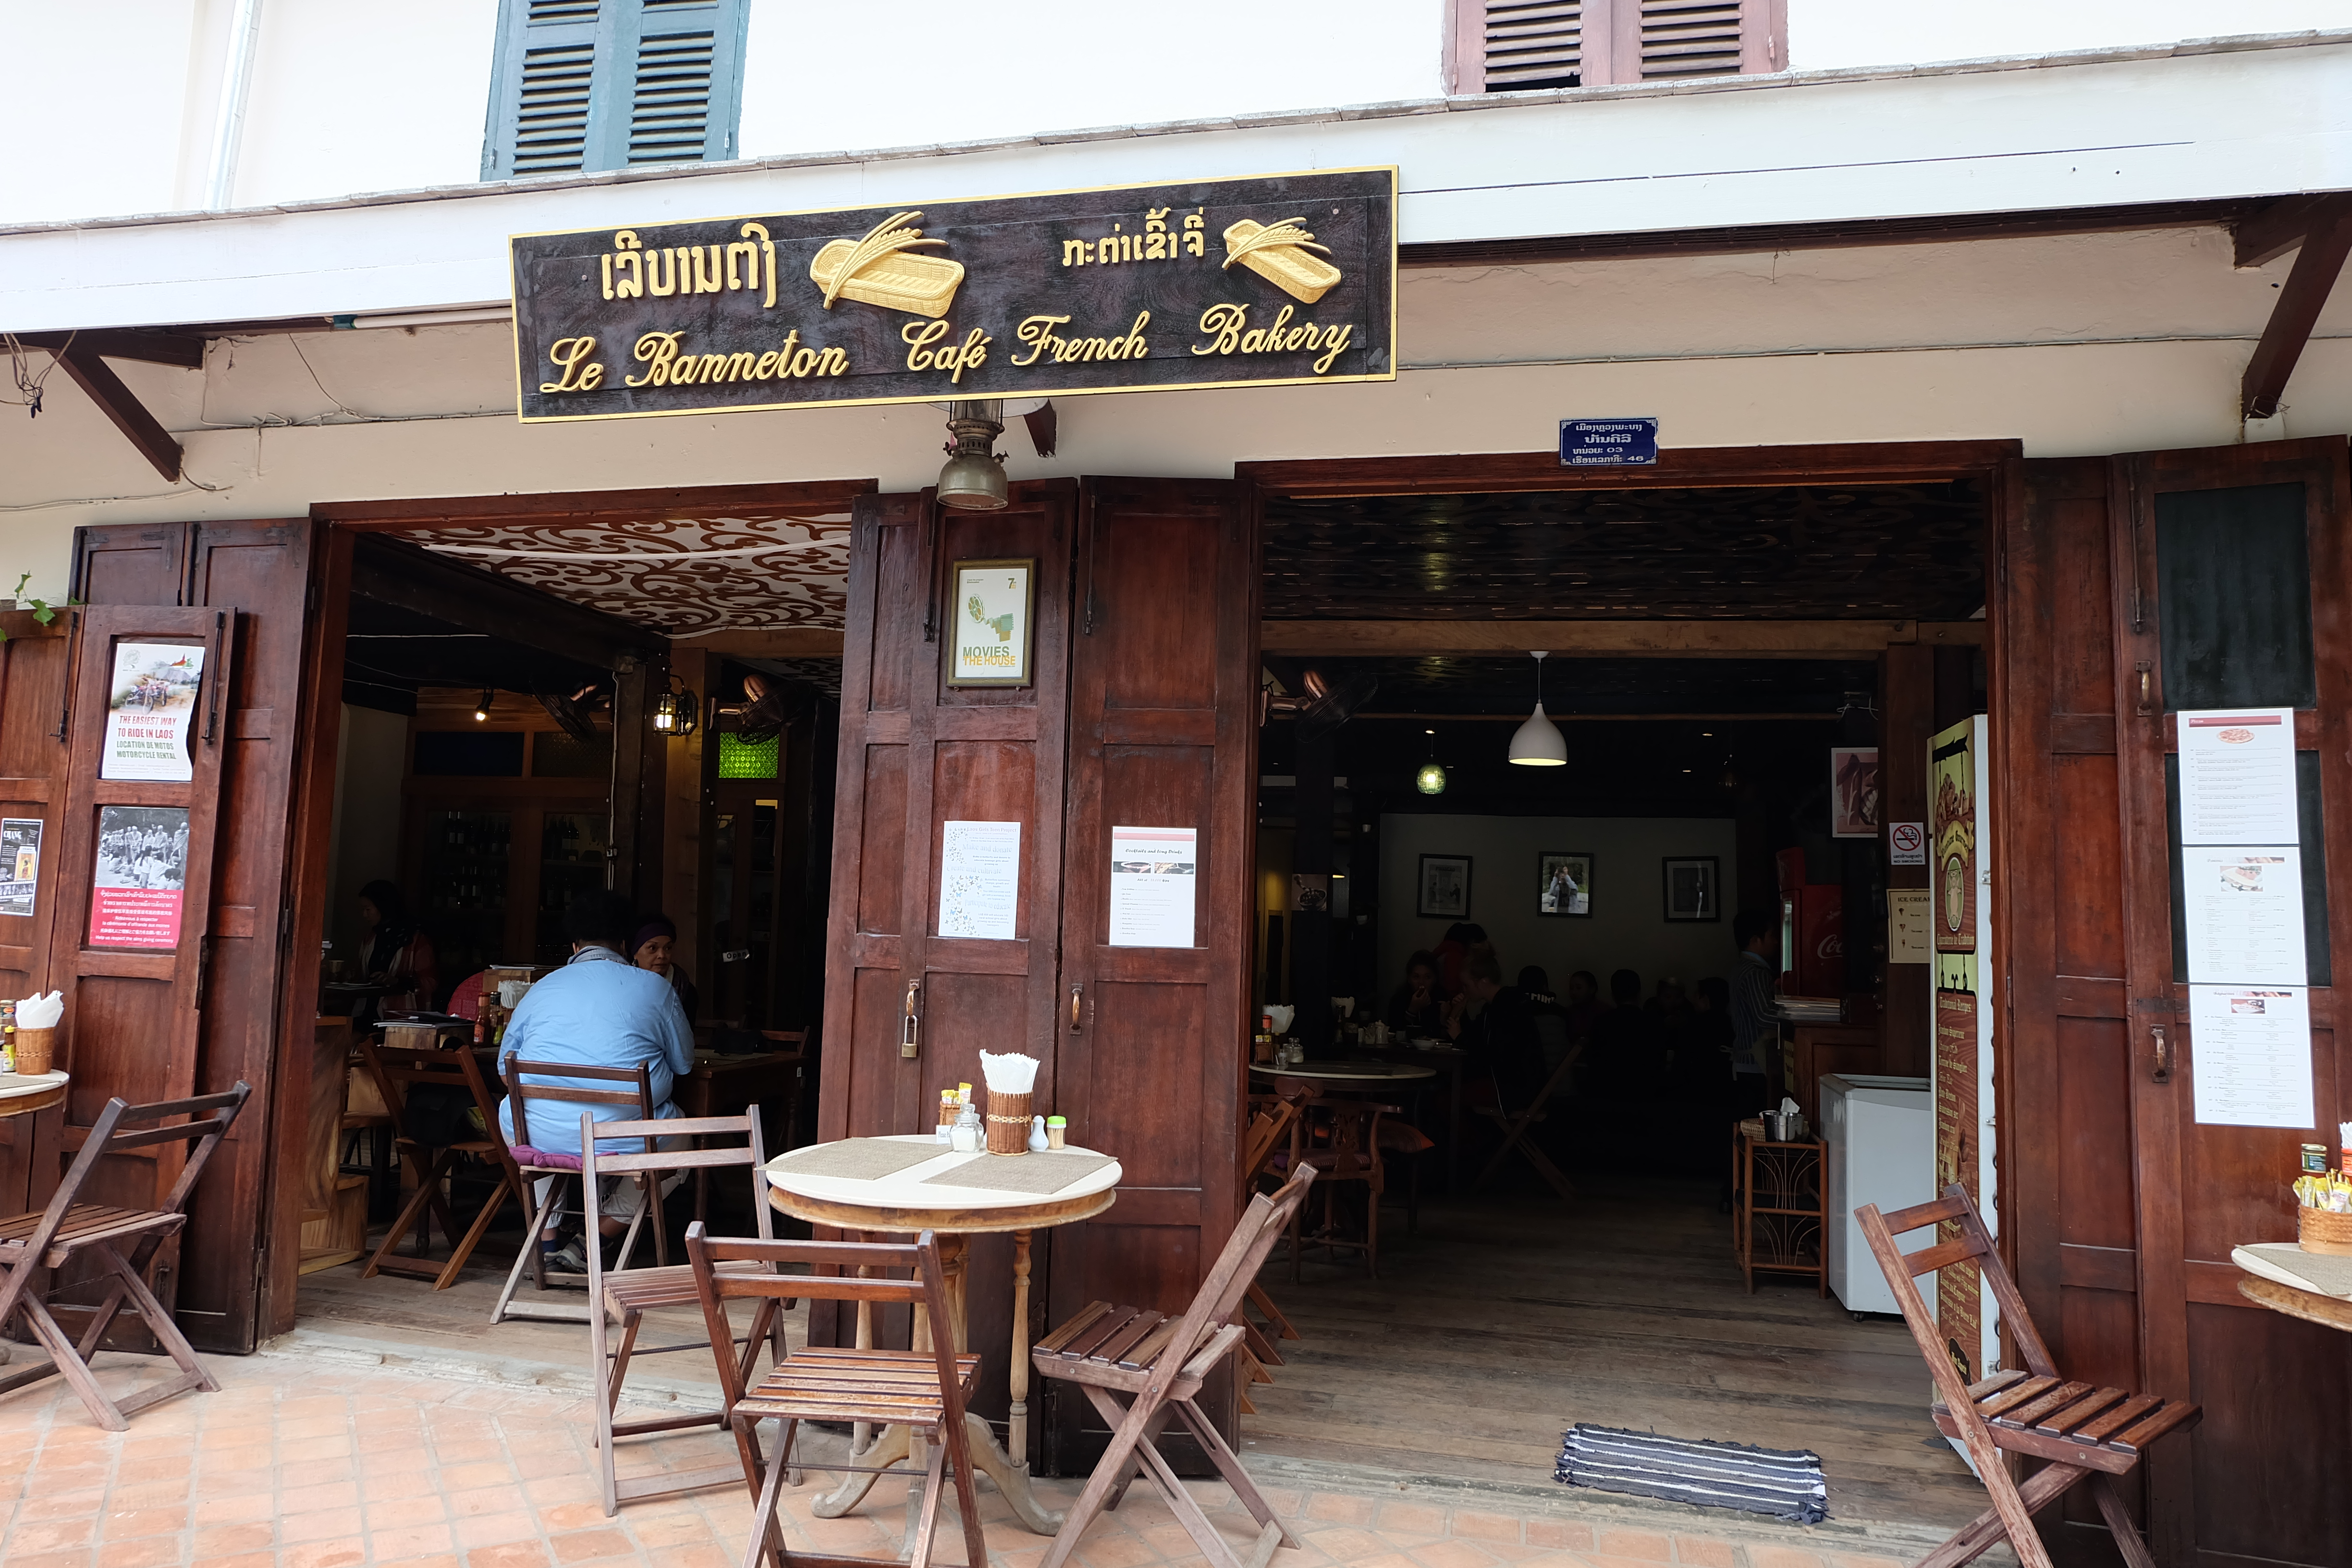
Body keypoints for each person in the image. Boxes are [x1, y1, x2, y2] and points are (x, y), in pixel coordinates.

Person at [499, 890, 695, 1273]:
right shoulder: (656, 988)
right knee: (680, 1143)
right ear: (624, 944)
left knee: (530, 1125)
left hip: (538, 1136)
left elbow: (506, 1070)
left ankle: (547, 1239)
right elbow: (684, 1064)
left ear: (575, 946)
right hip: (621, 1137)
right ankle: (594, 1239)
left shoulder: (542, 987)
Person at [1446, 952, 1544, 1110]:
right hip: (1508, 1082)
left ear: (1483, 982)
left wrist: (1460, 1037)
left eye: (1466, 985)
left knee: (1446, 1098)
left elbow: (1492, 1054)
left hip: (1511, 1088)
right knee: (1450, 1090)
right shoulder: (1494, 1007)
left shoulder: (1507, 1009)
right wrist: (1460, 1012)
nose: (1464, 990)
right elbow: (1475, 1037)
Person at [356, 880, 437, 1023]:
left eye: (368, 909)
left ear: (383, 907)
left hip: (401, 1017)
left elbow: (431, 982)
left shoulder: (415, 939)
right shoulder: (372, 937)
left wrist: (398, 981)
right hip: (368, 1011)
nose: (364, 915)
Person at [1728, 908, 1782, 1119]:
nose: (1776, 942)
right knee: (1759, 1123)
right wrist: (1797, 1018)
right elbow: (1764, 1016)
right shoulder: (1755, 973)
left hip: (1746, 1061)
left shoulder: (1740, 968)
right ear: (1755, 940)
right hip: (1756, 1063)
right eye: (1772, 935)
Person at [629, 914, 699, 1022]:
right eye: (653, 948)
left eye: (668, 948)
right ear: (635, 953)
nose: (662, 955)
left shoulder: (685, 990)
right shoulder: (622, 986)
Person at [1385, 950, 1449, 1035]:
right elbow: (1394, 1033)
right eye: (1416, 977)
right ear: (1409, 979)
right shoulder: (1399, 1000)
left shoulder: (1443, 999)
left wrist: (1444, 1019)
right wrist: (1412, 1011)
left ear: (1435, 979)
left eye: (1428, 977)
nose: (1421, 982)